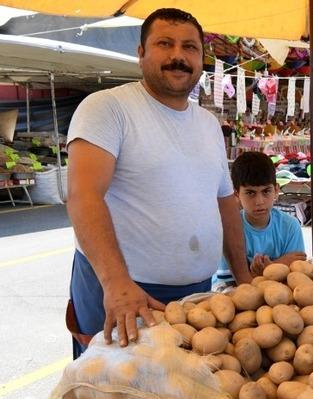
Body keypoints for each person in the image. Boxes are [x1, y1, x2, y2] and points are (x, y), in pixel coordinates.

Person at [66, 8, 251, 355]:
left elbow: (225, 202)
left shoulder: (209, 125)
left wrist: (243, 278)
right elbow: (83, 196)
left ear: (201, 59)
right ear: (140, 53)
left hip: (197, 292)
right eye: (164, 44)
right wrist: (117, 284)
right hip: (124, 292)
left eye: (189, 47)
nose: (178, 56)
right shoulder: (107, 108)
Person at [212, 152, 307, 289]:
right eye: (250, 193)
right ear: (236, 194)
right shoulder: (229, 229)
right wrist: (276, 267)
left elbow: (297, 275)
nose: (259, 202)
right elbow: (228, 284)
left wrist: (263, 272)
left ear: (276, 190)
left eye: (266, 191)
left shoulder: (290, 226)